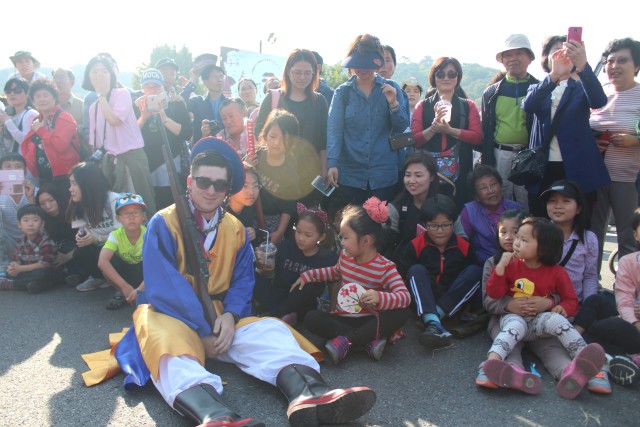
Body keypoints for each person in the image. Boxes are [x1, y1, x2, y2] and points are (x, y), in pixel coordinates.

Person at [97, 137, 376, 426]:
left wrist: (230, 316)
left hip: (220, 313)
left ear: (227, 190)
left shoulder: (236, 230)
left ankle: (310, 395)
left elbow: (243, 281)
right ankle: (216, 417)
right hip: (171, 315)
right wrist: (204, 332)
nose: (211, 190)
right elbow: (165, 286)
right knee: (167, 351)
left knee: (271, 331)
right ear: (189, 182)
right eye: (203, 181)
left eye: (219, 184)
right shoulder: (162, 223)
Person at [478, 211, 610, 395]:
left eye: (522, 238)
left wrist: (558, 306)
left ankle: (581, 370)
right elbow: (492, 295)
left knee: (554, 339)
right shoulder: (500, 263)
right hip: (509, 319)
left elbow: (570, 300)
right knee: (513, 336)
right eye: (515, 236)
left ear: (543, 249)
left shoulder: (557, 272)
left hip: (538, 323)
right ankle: (494, 366)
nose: (514, 240)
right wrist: (501, 269)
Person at [296, 197, 411, 363]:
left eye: (346, 238)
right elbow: (335, 272)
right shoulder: (345, 257)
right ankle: (368, 342)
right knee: (312, 318)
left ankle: (347, 341)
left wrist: (380, 297)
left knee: (402, 312)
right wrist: (308, 276)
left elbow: (404, 297)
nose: (342, 243)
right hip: (346, 317)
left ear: (366, 241)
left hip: (371, 319)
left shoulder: (385, 268)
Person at [522, 35, 610, 217]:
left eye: (568, 50)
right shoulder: (538, 87)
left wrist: (583, 66)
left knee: (579, 220)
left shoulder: (581, 86)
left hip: (576, 166)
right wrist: (554, 75)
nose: (562, 55)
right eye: (556, 51)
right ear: (546, 58)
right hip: (543, 167)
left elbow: (598, 101)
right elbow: (528, 106)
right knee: (542, 219)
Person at [327, 34, 409, 212]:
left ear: (377, 62)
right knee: (353, 224)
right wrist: (332, 162)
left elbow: (401, 127)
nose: (362, 69)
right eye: (358, 64)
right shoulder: (343, 92)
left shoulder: (392, 87)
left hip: (384, 174)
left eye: (367, 64)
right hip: (351, 174)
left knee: (381, 225)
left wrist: (393, 103)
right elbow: (334, 130)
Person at [401, 195, 482, 350]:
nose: (440, 231)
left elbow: (468, 280)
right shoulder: (415, 245)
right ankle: (432, 319)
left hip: (451, 300)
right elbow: (405, 277)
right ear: (425, 224)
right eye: (434, 225)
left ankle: (433, 320)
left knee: (475, 271)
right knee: (415, 270)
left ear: (453, 224)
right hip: (423, 298)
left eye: (446, 225)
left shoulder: (463, 246)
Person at [573, 207, 640, 387]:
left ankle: (609, 356)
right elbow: (624, 299)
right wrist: (635, 322)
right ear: (636, 234)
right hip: (631, 321)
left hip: (631, 330)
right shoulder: (628, 261)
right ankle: (574, 341)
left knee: (604, 327)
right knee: (596, 300)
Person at [83, 55, 157, 215]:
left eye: (104, 71)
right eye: (94, 72)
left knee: (142, 208)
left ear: (111, 74)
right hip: (111, 163)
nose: (99, 75)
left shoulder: (122, 94)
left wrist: (101, 96)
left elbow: (114, 120)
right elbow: (96, 143)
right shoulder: (93, 108)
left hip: (132, 159)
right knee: (119, 212)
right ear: (89, 76)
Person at [589, 37, 640, 267]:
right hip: (595, 177)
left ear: (636, 66)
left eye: (622, 60)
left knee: (628, 236)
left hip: (628, 180)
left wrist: (635, 140)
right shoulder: (598, 94)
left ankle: (629, 292)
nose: (614, 66)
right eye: (609, 61)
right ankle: (592, 287)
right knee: (593, 234)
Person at [254, 49, 327, 197]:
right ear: (288, 71)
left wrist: (324, 168)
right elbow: (259, 133)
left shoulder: (319, 101)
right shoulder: (273, 98)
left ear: (315, 73)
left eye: (308, 73)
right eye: (297, 72)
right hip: (276, 174)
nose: (302, 77)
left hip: (309, 175)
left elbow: (323, 140)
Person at [411, 57, 482, 206]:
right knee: (429, 210)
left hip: (461, 171)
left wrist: (450, 130)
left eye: (451, 74)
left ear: (458, 77)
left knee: (459, 210)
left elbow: (477, 137)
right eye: (440, 74)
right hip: (428, 172)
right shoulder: (422, 106)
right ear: (433, 77)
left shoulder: (468, 105)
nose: (446, 78)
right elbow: (415, 139)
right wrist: (433, 129)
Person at [480, 34, 539, 209]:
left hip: (529, 154)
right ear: (502, 60)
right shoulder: (491, 93)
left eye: (519, 53)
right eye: (508, 54)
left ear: (529, 58)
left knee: (526, 198)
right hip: (501, 153)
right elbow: (486, 129)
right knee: (500, 196)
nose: (513, 58)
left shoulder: (539, 88)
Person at [253, 203, 338, 325]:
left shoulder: (328, 259)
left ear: (322, 236)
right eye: (298, 232)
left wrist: (332, 310)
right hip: (278, 296)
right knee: (251, 275)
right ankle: (281, 316)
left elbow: (333, 284)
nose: (301, 238)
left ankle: (274, 316)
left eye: (308, 235)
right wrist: (261, 263)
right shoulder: (286, 247)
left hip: (303, 305)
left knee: (308, 283)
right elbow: (269, 274)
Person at [135, 68, 192, 210]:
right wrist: (143, 117)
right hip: (147, 166)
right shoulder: (136, 106)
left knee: (172, 207)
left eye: (156, 86)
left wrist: (165, 118)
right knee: (149, 207)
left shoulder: (175, 104)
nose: (152, 91)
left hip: (172, 164)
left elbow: (187, 133)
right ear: (142, 89)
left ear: (163, 87)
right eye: (147, 87)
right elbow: (130, 137)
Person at [66, 162, 122, 292]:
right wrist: (82, 237)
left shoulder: (114, 200)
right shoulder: (76, 204)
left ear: (87, 184)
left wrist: (97, 239)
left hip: (122, 249)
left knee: (110, 253)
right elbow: (83, 230)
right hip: (100, 247)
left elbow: (126, 235)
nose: (70, 189)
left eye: (74, 183)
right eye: (70, 183)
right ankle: (99, 277)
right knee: (80, 253)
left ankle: (122, 283)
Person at [542, 181, 599, 303]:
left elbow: (590, 276)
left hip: (574, 304)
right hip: (542, 302)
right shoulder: (537, 233)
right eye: (552, 201)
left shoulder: (589, 238)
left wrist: (589, 306)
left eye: (566, 201)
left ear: (579, 208)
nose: (558, 206)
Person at [457, 165, 523, 266]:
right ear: (476, 196)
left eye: (493, 184)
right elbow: (461, 243)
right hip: (482, 265)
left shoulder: (516, 208)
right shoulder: (469, 211)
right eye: (483, 188)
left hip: (516, 263)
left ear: (500, 186)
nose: (491, 191)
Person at [253, 109, 301, 244]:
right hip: (250, 213)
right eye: (272, 137)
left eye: (283, 139)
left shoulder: (289, 172)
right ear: (265, 134)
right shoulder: (256, 155)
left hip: (271, 220)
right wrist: (246, 166)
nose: (276, 143)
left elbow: (288, 207)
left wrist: (280, 232)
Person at [22, 79, 80, 189]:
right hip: (44, 176)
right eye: (38, 96)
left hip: (65, 176)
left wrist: (41, 130)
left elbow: (60, 145)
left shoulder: (64, 117)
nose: (42, 99)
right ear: (33, 101)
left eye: (45, 95)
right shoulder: (37, 120)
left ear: (54, 97)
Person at [97, 193, 146, 310]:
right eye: (125, 213)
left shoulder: (149, 233)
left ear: (143, 216)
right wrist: (124, 286)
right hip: (127, 274)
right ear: (118, 218)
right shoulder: (115, 235)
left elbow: (157, 265)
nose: (131, 217)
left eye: (136, 212)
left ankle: (143, 292)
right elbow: (102, 262)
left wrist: (141, 288)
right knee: (107, 264)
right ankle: (123, 293)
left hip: (145, 274)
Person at [387, 152, 439, 261]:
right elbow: (385, 242)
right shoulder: (396, 208)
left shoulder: (442, 205)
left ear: (432, 177)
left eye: (418, 175)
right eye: (407, 175)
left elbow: (461, 237)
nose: (411, 181)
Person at [0, 204, 59, 294]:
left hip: (46, 271)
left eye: (35, 220)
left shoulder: (46, 241)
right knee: (10, 272)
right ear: (19, 224)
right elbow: (16, 259)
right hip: (27, 271)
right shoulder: (21, 242)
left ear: (42, 224)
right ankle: (36, 285)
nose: (30, 224)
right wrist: (13, 267)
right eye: (26, 220)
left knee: (41, 274)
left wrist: (20, 269)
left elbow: (44, 264)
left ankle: (14, 285)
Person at [181, 55, 227, 143]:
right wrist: (193, 80)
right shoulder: (197, 102)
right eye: (215, 77)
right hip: (201, 150)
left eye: (221, 76)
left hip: (225, 149)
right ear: (206, 82)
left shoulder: (229, 103)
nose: (219, 80)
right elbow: (180, 104)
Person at [35, 183, 77, 276]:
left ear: (58, 198)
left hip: (77, 251)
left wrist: (67, 256)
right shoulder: (43, 220)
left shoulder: (72, 212)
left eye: (51, 200)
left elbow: (85, 241)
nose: (47, 206)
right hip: (57, 254)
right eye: (42, 203)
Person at [0, 153, 36, 241]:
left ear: (25, 170)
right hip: (7, 241)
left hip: (33, 239)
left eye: (18, 166)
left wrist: (31, 198)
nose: (13, 170)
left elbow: (40, 221)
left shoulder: (36, 191)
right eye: (8, 167)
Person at [1, 78, 38, 156]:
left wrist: (8, 122)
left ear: (27, 93)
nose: (12, 93)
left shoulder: (31, 114)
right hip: (10, 163)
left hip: (25, 164)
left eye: (17, 90)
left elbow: (24, 141)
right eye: (8, 91)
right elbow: (8, 146)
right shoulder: (9, 115)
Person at [227, 165, 261, 244]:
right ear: (231, 186)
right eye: (245, 186)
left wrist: (254, 232)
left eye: (255, 186)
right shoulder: (219, 213)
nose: (252, 192)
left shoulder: (250, 208)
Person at [52, 68, 86, 145]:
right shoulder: (48, 106)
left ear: (72, 82)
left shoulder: (82, 106)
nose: (57, 81)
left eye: (61, 77)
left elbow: (88, 130)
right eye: (55, 77)